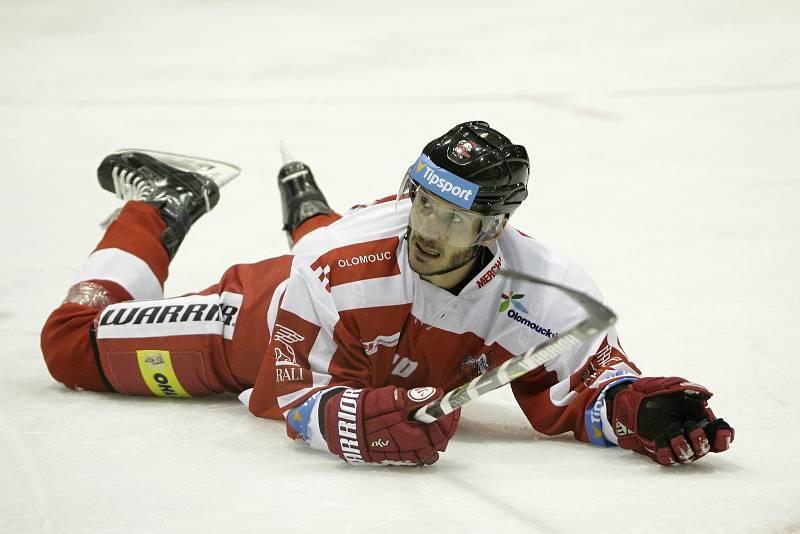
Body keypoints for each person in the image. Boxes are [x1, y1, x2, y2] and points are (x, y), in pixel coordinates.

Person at [41, 121, 734, 467]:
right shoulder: (329, 264)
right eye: (421, 202)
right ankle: (163, 204)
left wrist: (635, 409)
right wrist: (355, 423)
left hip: (343, 288)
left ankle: (309, 206)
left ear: (494, 226)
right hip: (258, 322)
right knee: (68, 344)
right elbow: (289, 393)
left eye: (453, 216)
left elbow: (589, 382)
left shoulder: (542, 289)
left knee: (348, 252)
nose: (427, 228)